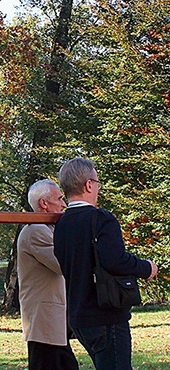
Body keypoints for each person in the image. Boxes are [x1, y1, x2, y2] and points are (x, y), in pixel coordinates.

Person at [53, 157, 158, 369]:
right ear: (89, 184)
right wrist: (146, 268)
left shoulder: (61, 224)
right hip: (104, 313)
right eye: (97, 182)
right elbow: (115, 260)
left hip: (78, 315)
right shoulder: (101, 219)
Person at [17, 179, 78, 370]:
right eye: (59, 198)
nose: (63, 204)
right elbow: (64, 264)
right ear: (44, 204)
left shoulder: (46, 229)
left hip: (51, 322)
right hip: (44, 322)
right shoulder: (36, 230)